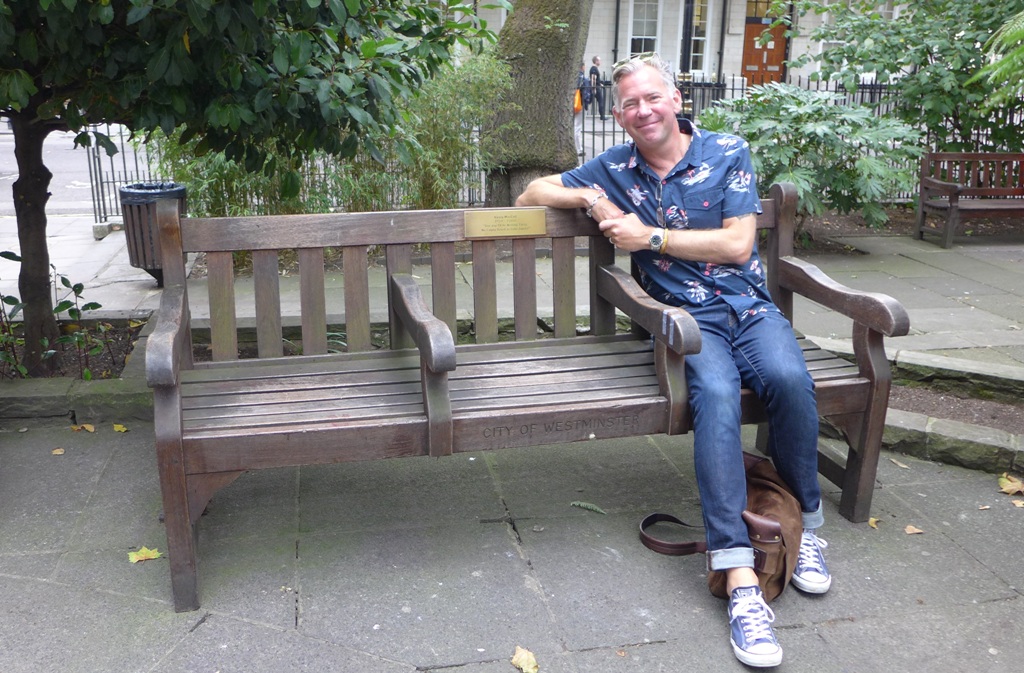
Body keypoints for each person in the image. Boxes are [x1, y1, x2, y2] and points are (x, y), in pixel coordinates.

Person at [516, 53, 830, 668]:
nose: (643, 111)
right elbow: (531, 191)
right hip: (685, 322)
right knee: (716, 396)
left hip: (749, 306)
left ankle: (806, 527)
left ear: (677, 99)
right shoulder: (616, 168)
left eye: (652, 97)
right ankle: (739, 576)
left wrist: (649, 237)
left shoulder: (727, 150)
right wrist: (592, 198)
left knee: (790, 380)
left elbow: (738, 243)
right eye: (630, 104)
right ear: (619, 115)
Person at [588, 55, 606, 120]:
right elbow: (593, 79)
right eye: (599, 60)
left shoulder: (594, 68)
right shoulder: (594, 69)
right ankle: (602, 116)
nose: (600, 62)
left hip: (597, 87)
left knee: (591, 101)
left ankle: (602, 116)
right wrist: (594, 88)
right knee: (600, 101)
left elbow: (596, 79)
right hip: (596, 88)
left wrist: (600, 84)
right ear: (596, 61)